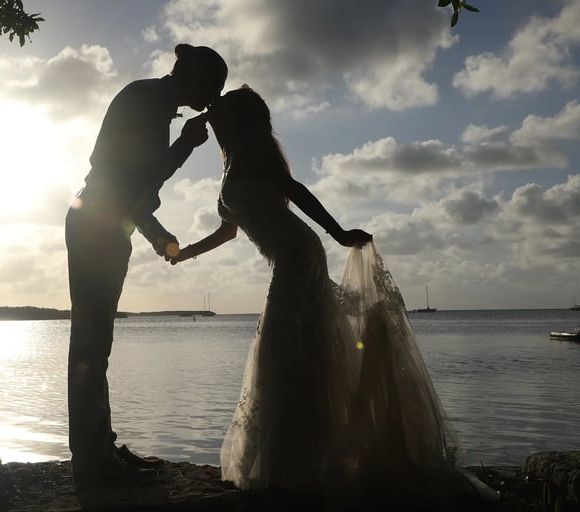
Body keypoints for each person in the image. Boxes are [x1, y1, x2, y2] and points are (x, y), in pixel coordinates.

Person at [170, 85, 497, 507]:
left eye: (219, 110)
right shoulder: (232, 160)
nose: (210, 113)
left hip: (299, 255)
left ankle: (297, 464)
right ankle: (298, 459)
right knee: (289, 351)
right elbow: (229, 230)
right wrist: (185, 253)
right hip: (291, 258)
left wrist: (338, 232)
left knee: (284, 350)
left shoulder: (253, 149)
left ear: (235, 119)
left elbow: (296, 189)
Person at [65, 44, 227, 486]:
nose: (213, 99)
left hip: (104, 219)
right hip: (97, 223)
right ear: (192, 76)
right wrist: (187, 146)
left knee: (97, 343)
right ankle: (93, 459)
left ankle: (99, 447)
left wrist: (154, 232)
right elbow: (137, 179)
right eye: (212, 87)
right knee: (91, 343)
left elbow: (126, 189)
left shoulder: (152, 101)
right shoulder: (148, 102)